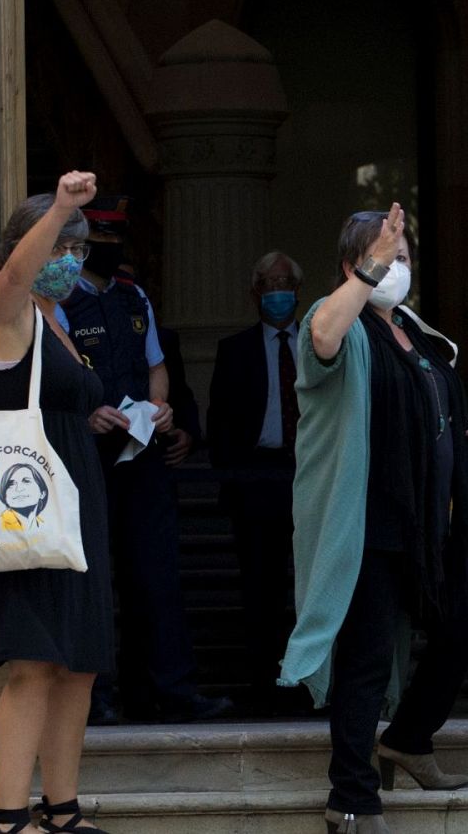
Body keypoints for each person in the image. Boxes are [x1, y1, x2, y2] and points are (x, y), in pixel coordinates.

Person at [277, 205, 468, 834]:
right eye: (381, 256)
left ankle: (408, 739)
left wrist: (459, 427)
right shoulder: (333, 320)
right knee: (368, 656)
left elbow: (429, 404)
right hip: (368, 520)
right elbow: (322, 339)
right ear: (350, 267)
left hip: (431, 520)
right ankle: (351, 795)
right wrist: (366, 278)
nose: (396, 267)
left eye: (402, 256)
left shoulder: (416, 334)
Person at [0, 171, 113, 834]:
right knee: (33, 664)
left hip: (75, 504)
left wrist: (101, 413)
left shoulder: (57, 323)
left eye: (81, 251)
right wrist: (57, 208)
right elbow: (17, 277)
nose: (72, 262)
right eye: (62, 247)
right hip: (20, 507)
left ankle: (62, 810)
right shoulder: (7, 305)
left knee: (77, 665)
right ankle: (6, 818)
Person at [58, 195, 229, 725]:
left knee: (156, 571)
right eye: (99, 242)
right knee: (91, 575)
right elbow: (55, 376)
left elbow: (157, 365)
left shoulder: (135, 299)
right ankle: (95, 693)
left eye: (116, 241)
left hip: (141, 452)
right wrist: (86, 416)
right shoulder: (59, 299)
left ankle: (171, 690)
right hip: (85, 455)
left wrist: (161, 407)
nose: (109, 250)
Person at [209, 250, 304, 710]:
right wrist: (231, 482)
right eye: (269, 283)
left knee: (307, 585)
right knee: (260, 587)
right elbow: (220, 422)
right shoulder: (235, 350)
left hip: (310, 477)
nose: (278, 292)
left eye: (285, 283)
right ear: (255, 293)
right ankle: (265, 683)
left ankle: (309, 680)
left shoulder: (319, 343)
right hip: (256, 479)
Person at [0, 463, 49, 532]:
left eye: (26, 481)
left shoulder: (46, 526)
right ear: (4, 495)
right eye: (11, 484)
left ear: (42, 493)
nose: (18, 489)